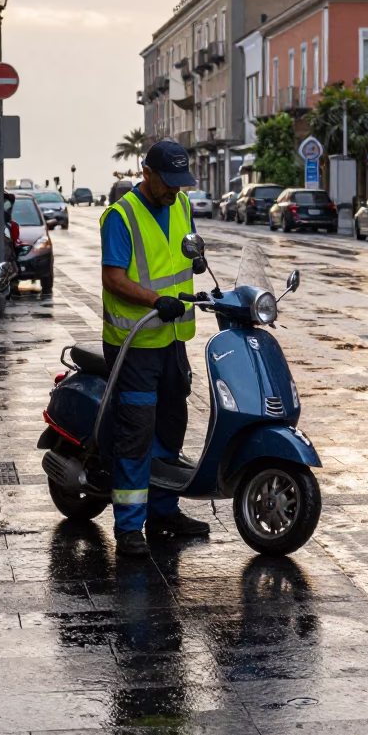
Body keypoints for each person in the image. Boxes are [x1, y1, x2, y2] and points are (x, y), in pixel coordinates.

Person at [100, 140, 210, 559]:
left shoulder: (181, 206)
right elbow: (113, 278)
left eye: (181, 183)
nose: (175, 191)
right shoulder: (120, 216)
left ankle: (164, 512)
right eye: (169, 182)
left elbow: (184, 251)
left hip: (174, 339)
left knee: (171, 426)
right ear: (147, 173)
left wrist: (199, 263)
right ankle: (129, 527)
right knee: (136, 433)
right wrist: (153, 300)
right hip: (136, 342)